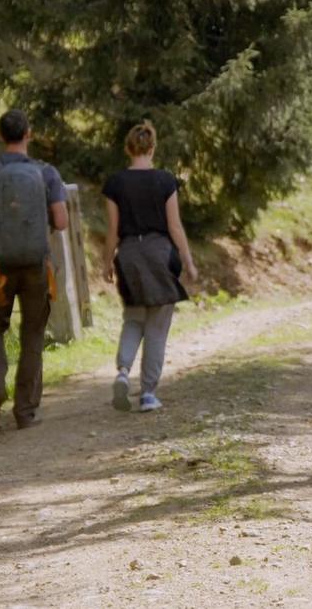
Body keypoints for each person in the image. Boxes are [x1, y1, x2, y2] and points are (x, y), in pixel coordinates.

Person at [0, 109, 68, 430]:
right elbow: (61, 221)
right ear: (29, 133)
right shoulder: (46, 173)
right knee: (32, 333)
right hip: (36, 264)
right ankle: (25, 411)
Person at [102, 120, 198, 412]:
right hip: (159, 253)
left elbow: (113, 231)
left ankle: (122, 371)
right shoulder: (166, 181)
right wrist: (188, 262)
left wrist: (107, 262)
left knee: (133, 319)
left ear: (128, 149)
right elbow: (175, 226)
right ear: (152, 148)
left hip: (129, 254)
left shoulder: (115, 184)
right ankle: (147, 394)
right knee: (156, 327)